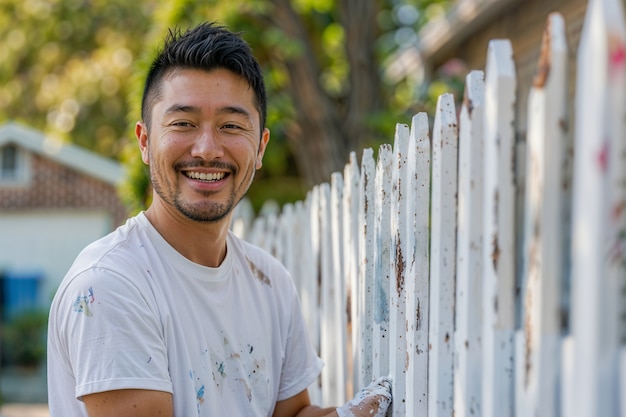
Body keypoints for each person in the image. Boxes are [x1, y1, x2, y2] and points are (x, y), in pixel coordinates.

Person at [47, 22, 392, 417]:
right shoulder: (110, 286)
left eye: (231, 125)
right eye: (183, 123)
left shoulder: (268, 281)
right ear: (144, 142)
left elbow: (292, 415)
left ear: (260, 146)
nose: (208, 149)